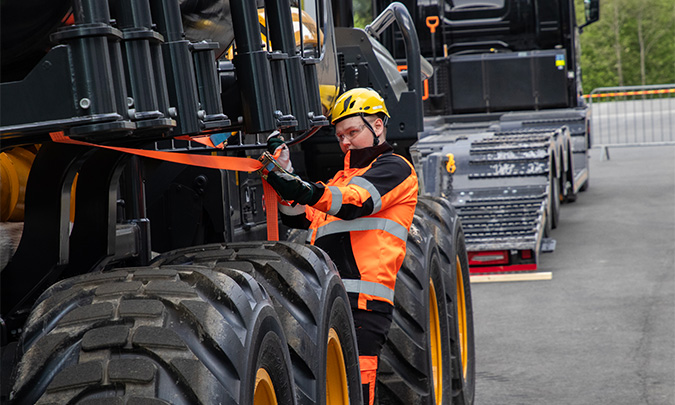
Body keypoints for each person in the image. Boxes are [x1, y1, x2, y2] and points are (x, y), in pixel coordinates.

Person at [265, 87, 418, 404]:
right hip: (328, 301)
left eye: (352, 131)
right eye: (339, 136)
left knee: (356, 394)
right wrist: (284, 173)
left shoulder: (396, 168)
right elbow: (299, 216)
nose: (345, 141)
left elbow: (353, 203)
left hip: (363, 306)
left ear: (377, 126)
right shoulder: (341, 179)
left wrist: (306, 189)